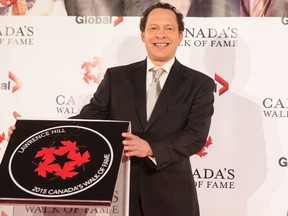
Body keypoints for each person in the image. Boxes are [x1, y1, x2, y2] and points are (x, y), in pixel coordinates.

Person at [8, 2, 214, 216]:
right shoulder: (117, 78)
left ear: (180, 35)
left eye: (169, 28)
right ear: (143, 35)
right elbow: (86, 122)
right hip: (121, 197)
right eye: (153, 28)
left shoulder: (199, 84)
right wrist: (30, 135)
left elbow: (195, 136)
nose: (160, 35)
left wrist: (150, 148)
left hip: (173, 199)